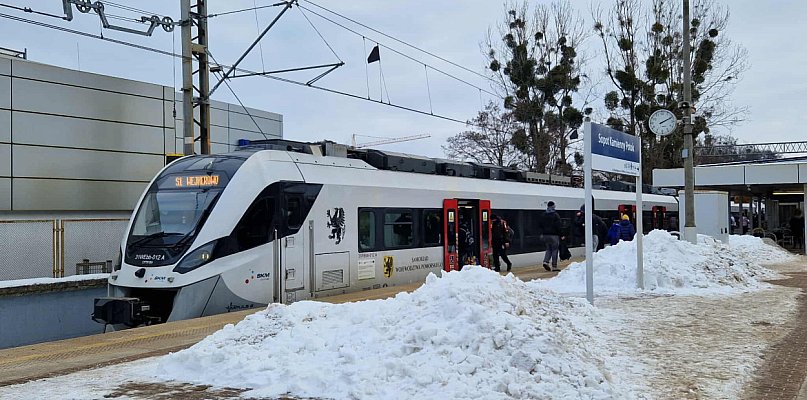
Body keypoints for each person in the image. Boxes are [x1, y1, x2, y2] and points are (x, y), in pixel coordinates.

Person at [540, 201, 564, 271]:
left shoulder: (543, 215)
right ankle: (554, 266)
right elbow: (558, 226)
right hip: (554, 235)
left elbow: (540, 225)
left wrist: (542, 233)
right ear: (553, 206)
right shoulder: (555, 215)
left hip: (545, 235)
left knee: (548, 249)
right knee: (554, 250)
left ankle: (545, 261)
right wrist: (562, 234)